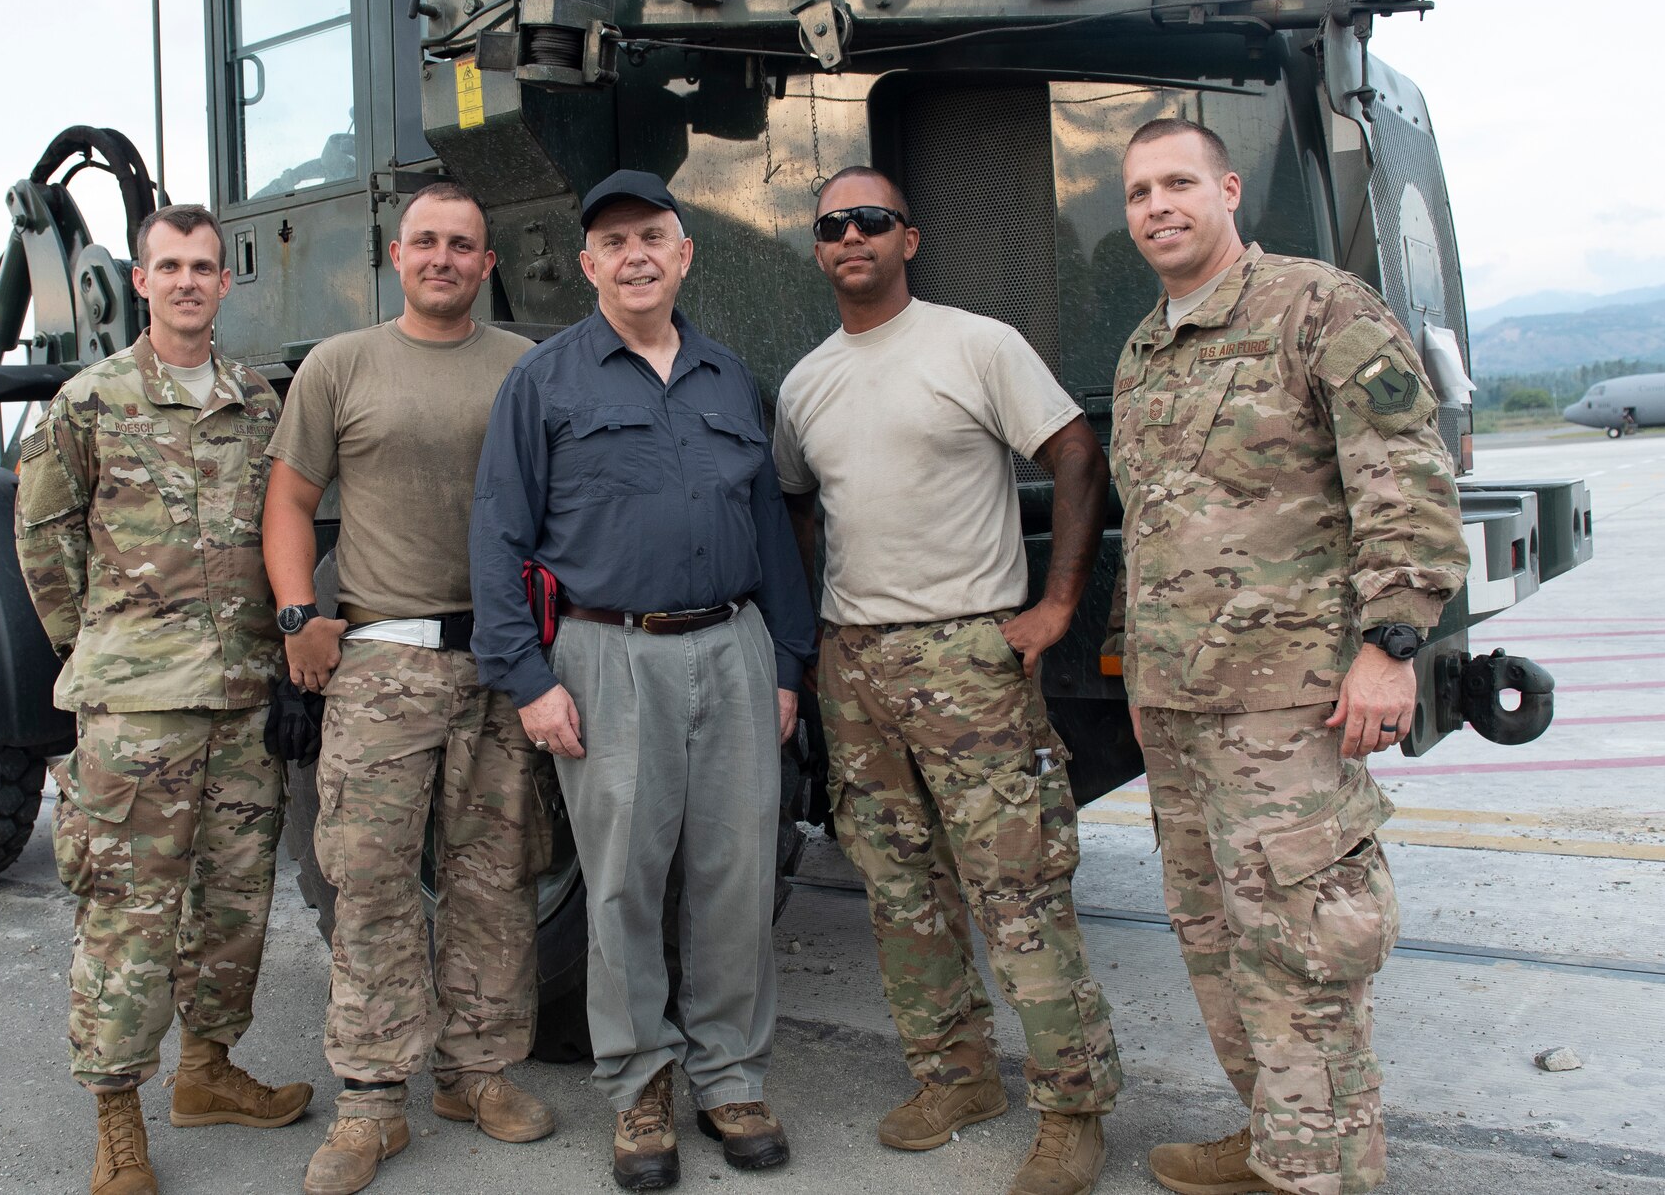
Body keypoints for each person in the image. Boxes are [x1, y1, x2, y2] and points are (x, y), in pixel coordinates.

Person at [1108, 119, 1468, 1195]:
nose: (1156, 205)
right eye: (1135, 192)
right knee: (1215, 940)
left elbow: (1402, 478)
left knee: (1306, 946)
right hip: (1178, 707)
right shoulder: (1144, 346)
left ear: (1226, 190)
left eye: (1177, 182)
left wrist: (1389, 645)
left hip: (1289, 709)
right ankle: (1279, 1139)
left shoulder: (1316, 307)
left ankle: (1323, 1175)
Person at [774, 167, 1124, 1195]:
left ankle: (1071, 1109)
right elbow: (797, 507)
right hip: (853, 661)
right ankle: (955, 1076)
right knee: (898, 890)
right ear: (819, 246)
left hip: (966, 658)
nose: (850, 236)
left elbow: (1073, 454)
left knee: (1016, 887)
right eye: (832, 224)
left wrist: (1055, 605)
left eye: (869, 220)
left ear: (907, 239)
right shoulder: (806, 381)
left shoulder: (974, 345)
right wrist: (806, 639)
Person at [469, 170, 815, 1191]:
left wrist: (786, 659)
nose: (634, 256)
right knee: (621, 880)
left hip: (736, 646)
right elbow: (497, 534)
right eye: (613, 242)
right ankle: (637, 1088)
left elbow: (769, 533)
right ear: (587, 266)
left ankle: (730, 1075)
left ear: (683, 254)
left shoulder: (725, 377)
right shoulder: (544, 381)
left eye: (652, 237)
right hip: (604, 654)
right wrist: (528, 677)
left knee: (735, 874)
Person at [260, 181, 554, 1195]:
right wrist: (300, 617)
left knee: (494, 879)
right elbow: (290, 502)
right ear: (396, 256)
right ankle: (370, 1102)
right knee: (371, 883)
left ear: (485, 262)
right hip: (382, 663)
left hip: (500, 660)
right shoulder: (342, 366)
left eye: (461, 245)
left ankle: (474, 1074)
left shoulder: (524, 367)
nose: (442, 258)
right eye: (425, 242)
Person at [15, 203, 310, 1195]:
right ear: (138, 282)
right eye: (169, 266)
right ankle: (116, 1119)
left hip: (240, 703)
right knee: (128, 915)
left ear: (226, 284)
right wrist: (102, 654)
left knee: (233, 904)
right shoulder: (88, 403)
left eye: (204, 267)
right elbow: (45, 546)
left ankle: (208, 1072)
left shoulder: (257, 401)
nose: (187, 281)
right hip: (137, 712)